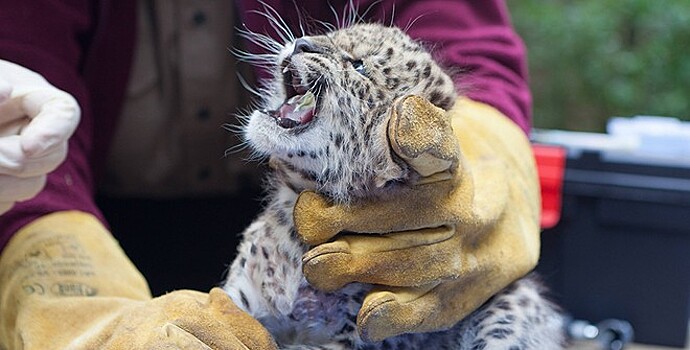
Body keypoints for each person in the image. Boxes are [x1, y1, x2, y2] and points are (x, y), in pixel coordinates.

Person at [0, 1, 540, 349]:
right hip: (101, 216)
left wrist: (475, 158)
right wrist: (72, 301)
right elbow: (19, 104)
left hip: (341, 216)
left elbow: (472, 46)